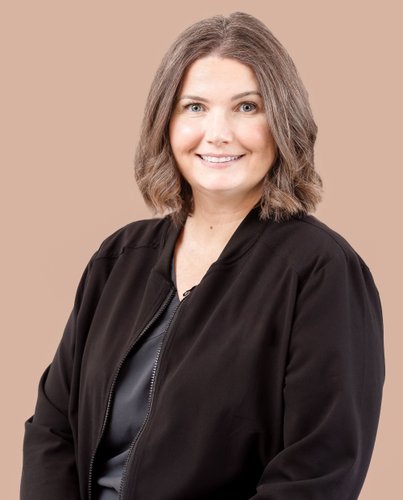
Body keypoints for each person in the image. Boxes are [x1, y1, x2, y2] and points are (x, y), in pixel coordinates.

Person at [20, 11, 385, 500]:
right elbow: (53, 429)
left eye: (247, 107)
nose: (218, 133)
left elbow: (318, 470)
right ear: (166, 123)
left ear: (282, 121)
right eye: (194, 107)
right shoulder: (119, 258)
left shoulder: (321, 270)